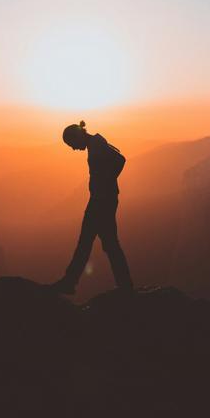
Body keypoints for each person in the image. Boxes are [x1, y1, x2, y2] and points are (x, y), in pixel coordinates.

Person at [50, 120, 133, 294]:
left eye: (72, 144)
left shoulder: (96, 145)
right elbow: (118, 160)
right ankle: (125, 285)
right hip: (104, 199)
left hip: (101, 202)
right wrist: (108, 182)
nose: (73, 148)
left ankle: (70, 282)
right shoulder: (95, 144)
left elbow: (120, 160)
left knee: (87, 242)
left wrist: (107, 182)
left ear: (78, 137)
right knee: (108, 244)